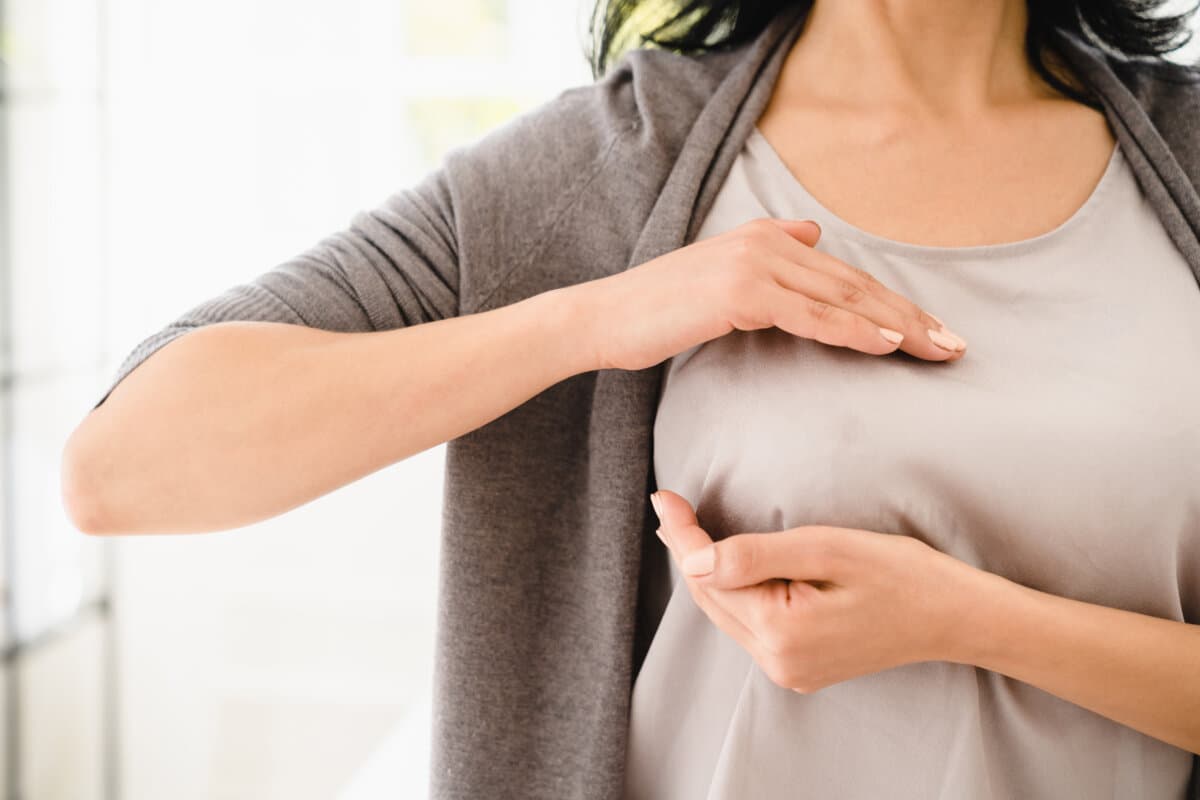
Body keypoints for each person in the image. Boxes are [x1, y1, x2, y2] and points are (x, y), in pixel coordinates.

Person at [61, 1, 1200, 797]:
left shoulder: (1181, 158)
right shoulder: (599, 174)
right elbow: (121, 468)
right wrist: (599, 315)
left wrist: (969, 621)